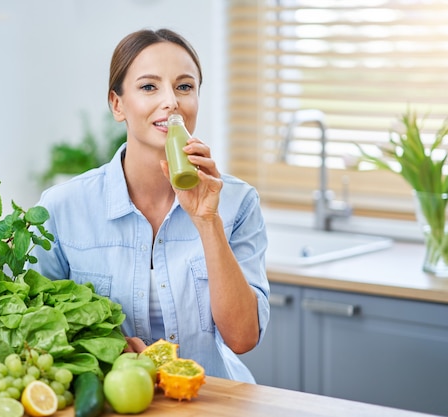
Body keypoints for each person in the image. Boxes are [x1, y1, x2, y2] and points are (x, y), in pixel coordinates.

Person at [31, 28, 270, 382]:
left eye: (185, 87)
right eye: (148, 87)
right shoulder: (63, 208)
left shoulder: (237, 202)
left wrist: (207, 221)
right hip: (114, 398)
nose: (171, 101)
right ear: (117, 104)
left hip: (211, 398)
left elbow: (243, 338)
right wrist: (106, 344)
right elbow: (38, 328)